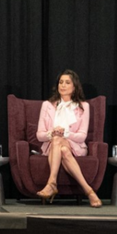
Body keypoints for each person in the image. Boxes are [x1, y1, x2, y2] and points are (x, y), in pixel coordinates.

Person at [35, 70, 102, 208]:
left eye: (67, 82)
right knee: (62, 148)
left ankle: (52, 183)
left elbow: (82, 136)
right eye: (60, 82)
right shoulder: (47, 105)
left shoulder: (84, 107)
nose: (63, 85)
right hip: (52, 147)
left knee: (59, 140)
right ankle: (89, 191)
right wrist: (51, 133)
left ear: (74, 86)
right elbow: (39, 135)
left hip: (76, 147)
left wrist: (65, 133)